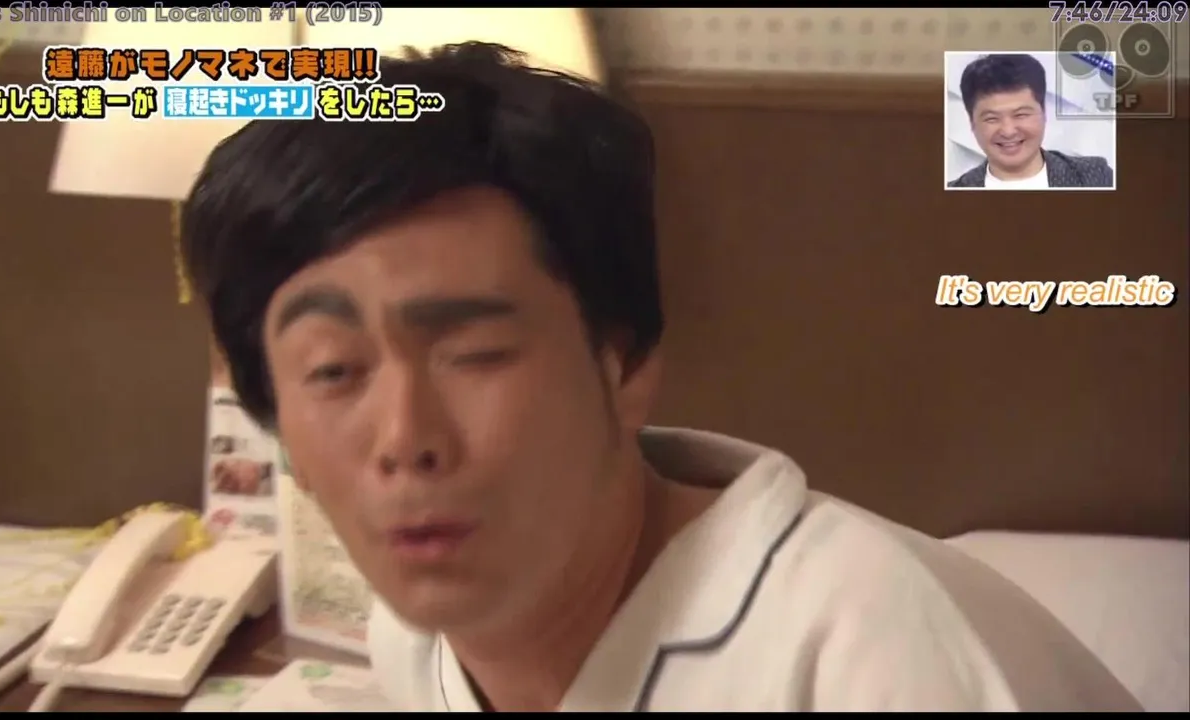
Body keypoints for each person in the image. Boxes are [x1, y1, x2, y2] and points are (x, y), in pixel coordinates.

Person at [182, 43, 1141, 712]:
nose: (405, 439)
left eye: (474, 354)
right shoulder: (421, 639)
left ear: (626, 360)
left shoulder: (874, 665)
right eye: (333, 371)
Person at [948, 53, 1115, 190]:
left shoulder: (1094, 177)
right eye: (992, 119)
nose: (1008, 131)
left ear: (1044, 112)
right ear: (972, 122)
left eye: (1020, 115)